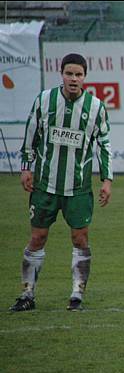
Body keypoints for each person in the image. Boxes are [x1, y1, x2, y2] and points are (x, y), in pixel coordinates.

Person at [9, 53, 113, 312]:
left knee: (80, 238)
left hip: (77, 187)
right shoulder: (44, 101)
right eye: (69, 73)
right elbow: (30, 136)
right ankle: (27, 294)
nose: (74, 79)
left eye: (78, 74)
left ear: (85, 77)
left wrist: (107, 179)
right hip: (44, 185)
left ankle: (77, 294)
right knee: (37, 236)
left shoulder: (96, 107)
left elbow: (105, 145)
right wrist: (26, 168)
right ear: (62, 74)